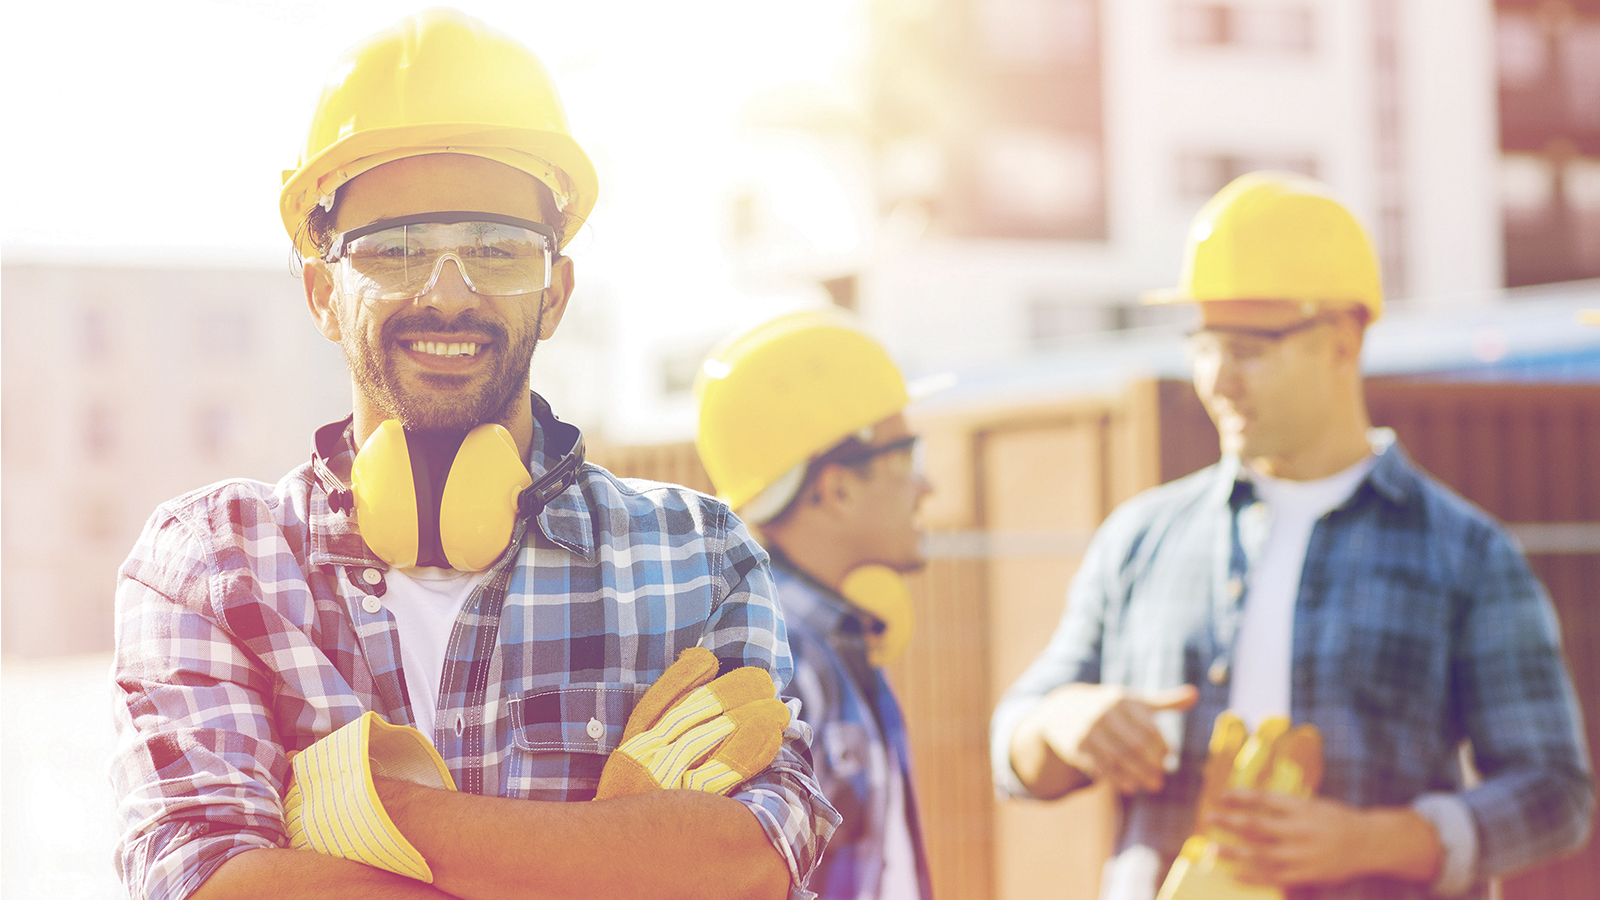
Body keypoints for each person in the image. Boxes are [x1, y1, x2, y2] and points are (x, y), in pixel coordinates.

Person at [109, 10, 837, 900]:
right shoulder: (212, 567)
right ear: (322, 293)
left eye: (497, 251)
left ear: (556, 292)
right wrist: (614, 856)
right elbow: (208, 882)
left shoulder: (697, 557)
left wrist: (375, 811)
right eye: (395, 250)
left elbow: (750, 862)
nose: (448, 295)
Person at [990, 171, 1593, 900]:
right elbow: (1014, 740)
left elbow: (1556, 792)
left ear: (1342, 341)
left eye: (1248, 348)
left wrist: (1376, 841)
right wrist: (1062, 720)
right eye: (1204, 344)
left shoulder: (1467, 554)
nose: (1218, 379)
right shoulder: (1140, 538)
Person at [696, 311, 936, 900]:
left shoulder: (830, 641)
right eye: (908, 457)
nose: (927, 486)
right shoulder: (778, 662)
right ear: (837, 489)